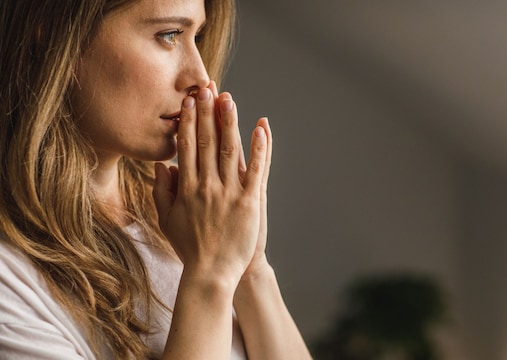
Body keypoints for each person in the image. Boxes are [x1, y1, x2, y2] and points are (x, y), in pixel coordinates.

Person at [0, 0, 312, 359]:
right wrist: (211, 274)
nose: (200, 78)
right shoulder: (11, 281)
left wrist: (250, 267)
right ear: (53, 40)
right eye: (168, 34)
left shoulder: (191, 217)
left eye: (198, 36)